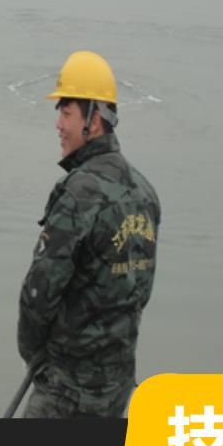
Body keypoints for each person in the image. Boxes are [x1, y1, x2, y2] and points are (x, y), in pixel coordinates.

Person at [17, 51, 160, 418]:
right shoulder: (145, 193)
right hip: (118, 386)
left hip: (66, 390)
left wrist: (34, 356)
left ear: (94, 120)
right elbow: (140, 293)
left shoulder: (78, 195)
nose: (58, 125)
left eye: (66, 113)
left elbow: (38, 294)